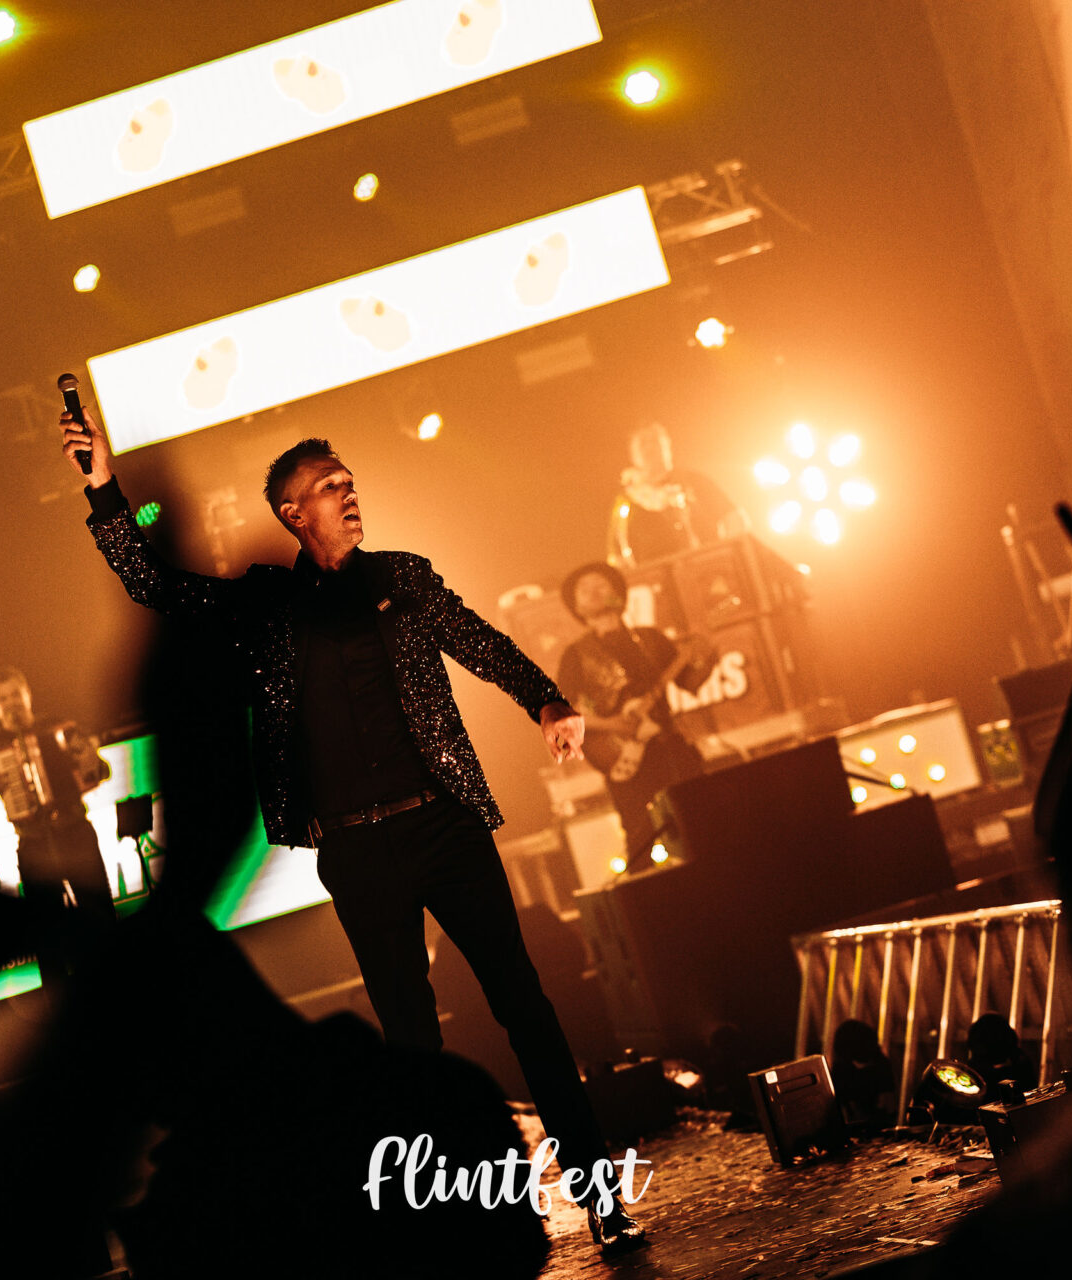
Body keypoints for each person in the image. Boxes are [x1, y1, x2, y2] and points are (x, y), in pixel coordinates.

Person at [60, 411, 648, 1255]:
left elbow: (477, 640)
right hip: (357, 848)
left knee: (526, 1005)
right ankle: (446, 1234)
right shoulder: (267, 603)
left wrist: (546, 699)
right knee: (411, 1042)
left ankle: (602, 1197)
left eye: (350, 480)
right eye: (329, 485)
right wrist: (102, 488)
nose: (349, 492)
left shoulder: (403, 577)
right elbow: (155, 586)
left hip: (444, 823)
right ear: (293, 512)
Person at [0, 667, 116, 986]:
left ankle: (115, 987)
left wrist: (94, 763)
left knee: (100, 918)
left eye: (15, 695)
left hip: (75, 833)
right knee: (47, 934)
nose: (11, 703)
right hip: (33, 844)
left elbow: (101, 770)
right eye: (3, 699)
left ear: (28, 694)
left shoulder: (60, 727)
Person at [555, 561, 713, 861]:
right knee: (641, 842)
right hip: (625, 759)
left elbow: (690, 682)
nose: (594, 592)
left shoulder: (650, 638)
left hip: (670, 746)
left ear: (618, 595)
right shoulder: (575, 656)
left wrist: (708, 652)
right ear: (576, 606)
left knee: (702, 825)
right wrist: (614, 725)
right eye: (584, 590)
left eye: (601, 585)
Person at [606, 421, 748, 569]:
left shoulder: (694, 482)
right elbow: (616, 554)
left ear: (667, 446)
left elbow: (733, 517)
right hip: (655, 577)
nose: (649, 447)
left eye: (654, 441)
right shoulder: (626, 501)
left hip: (709, 567)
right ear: (633, 455)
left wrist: (728, 555)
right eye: (643, 444)